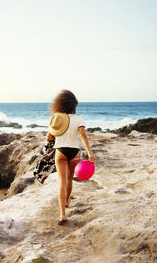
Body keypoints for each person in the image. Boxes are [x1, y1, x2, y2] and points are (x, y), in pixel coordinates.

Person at [46, 90, 95, 225]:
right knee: (69, 179)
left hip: (60, 152)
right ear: (74, 105)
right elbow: (83, 136)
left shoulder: (57, 118)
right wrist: (90, 153)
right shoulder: (79, 119)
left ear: (59, 104)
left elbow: (49, 138)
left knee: (62, 181)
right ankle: (66, 200)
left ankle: (62, 214)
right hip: (74, 152)